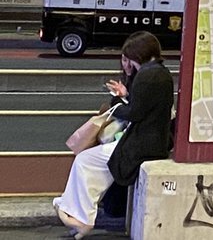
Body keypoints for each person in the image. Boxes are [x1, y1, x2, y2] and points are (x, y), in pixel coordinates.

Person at [54, 32, 174, 238]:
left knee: (85, 160)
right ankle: (75, 209)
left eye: (129, 57)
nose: (128, 63)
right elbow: (144, 107)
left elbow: (134, 113)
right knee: (93, 163)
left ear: (138, 54)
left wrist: (116, 102)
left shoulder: (147, 75)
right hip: (150, 142)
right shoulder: (160, 72)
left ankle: (82, 218)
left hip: (140, 145)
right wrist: (125, 96)